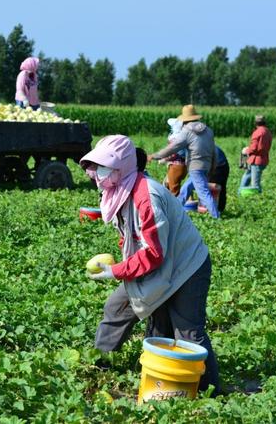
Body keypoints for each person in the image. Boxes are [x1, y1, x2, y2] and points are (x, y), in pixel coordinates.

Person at [81, 134, 220, 395]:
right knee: (120, 307)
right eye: (94, 168)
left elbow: (154, 253)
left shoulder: (147, 196)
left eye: (102, 168)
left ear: (120, 167)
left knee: (187, 333)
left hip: (186, 267)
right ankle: (98, 364)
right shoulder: (120, 190)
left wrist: (117, 271)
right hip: (160, 266)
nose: (96, 175)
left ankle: (210, 390)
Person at [148, 105, 219, 218]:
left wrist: (155, 156)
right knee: (186, 188)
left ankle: (216, 216)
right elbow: (213, 150)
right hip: (207, 164)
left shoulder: (187, 131)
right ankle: (175, 212)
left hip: (195, 166)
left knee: (203, 192)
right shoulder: (208, 131)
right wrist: (213, 165)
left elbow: (173, 148)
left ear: (184, 120)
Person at [179, 145, 230, 213]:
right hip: (223, 163)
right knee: (219, 188)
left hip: (214, 165)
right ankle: (219, 209)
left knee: (208, 188)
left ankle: (211, 212)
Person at [239, 115, 272, 193]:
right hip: (263, 159)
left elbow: (254, 148)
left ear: (256, 123)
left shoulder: (257, 132)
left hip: (256, 160)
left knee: (255, 184)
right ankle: (240, 192)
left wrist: (246, 151)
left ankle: (251, 196)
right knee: (247, 175)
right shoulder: (268, 132)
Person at [159, 118, 188, 196]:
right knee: (167, 183)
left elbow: (174, 154)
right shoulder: (183, 137)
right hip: (182, 165)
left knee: (174, 189)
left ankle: (175, 206)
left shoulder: (175, 138)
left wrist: (164, 159)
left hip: (176, 166)